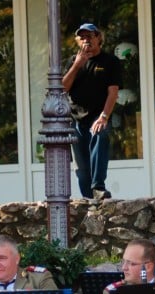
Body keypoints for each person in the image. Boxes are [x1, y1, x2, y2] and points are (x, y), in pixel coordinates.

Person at [62, 23, 122, 200]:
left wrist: (104, 117)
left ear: (98, 38)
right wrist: (77, 65)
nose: (86, 40)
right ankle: (90, 199)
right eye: (82, 37)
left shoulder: (110, 62)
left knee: (100, 136)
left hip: (98, 115)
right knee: (82, 171)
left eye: (90, 36)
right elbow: (62, 89)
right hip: (76, 119)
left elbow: (113, 92)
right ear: (78, 41)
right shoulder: (73, 61)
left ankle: (98, 187)